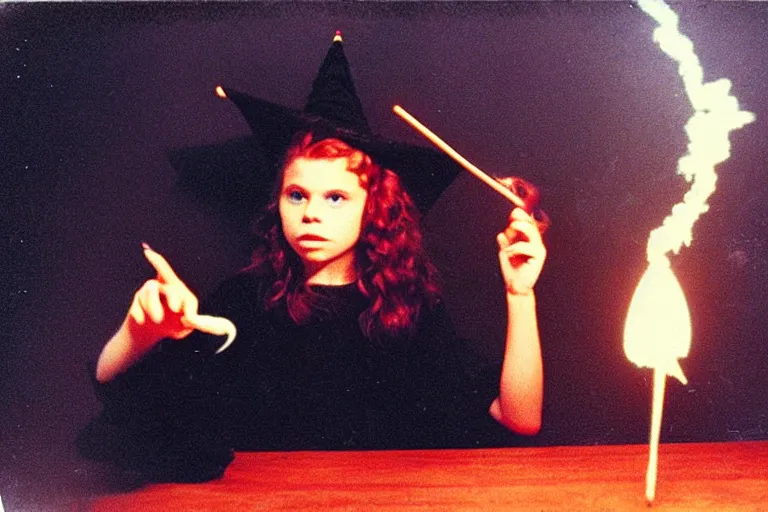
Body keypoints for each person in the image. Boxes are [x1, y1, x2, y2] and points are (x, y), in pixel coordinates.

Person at [78, 32, 548, 483]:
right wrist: (138, 334)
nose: (311, 215)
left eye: (336, 198)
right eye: (297, 195)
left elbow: (519, 418)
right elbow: (128, 410)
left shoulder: (408, 309)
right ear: (278, 201)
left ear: (373, 207)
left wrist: (519, 293)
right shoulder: (243, 302)